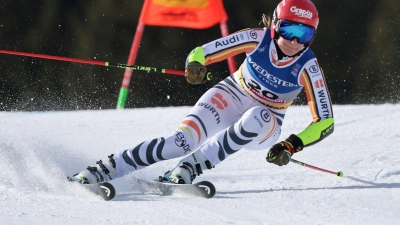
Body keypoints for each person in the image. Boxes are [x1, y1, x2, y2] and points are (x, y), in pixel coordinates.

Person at [68, 0, 334, 185]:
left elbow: (325, 121)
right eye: (288, 29)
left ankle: (191, 166)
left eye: (304, 34)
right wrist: (194, 65)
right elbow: (201, 52)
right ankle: (105, 168)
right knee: (179, 142)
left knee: (258, 116)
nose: (293, 41)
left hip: (267, 124)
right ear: (276, 24)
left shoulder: (308, 67)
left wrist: (290, 145)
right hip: (231, 94)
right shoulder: (257, 38)